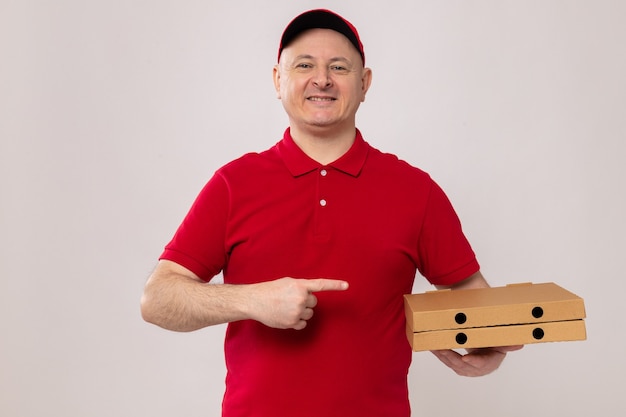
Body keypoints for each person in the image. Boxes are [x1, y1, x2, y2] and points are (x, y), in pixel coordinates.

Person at [141, 9, 522, 417]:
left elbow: (472, 294)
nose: (321, 79)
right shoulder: (233, 184)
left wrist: (492, 342)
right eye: (304, 65)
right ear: (277, 80)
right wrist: (252, 300)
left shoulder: (415, 190)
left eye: (338, 67)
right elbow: (157, 299)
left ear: (364, 84)